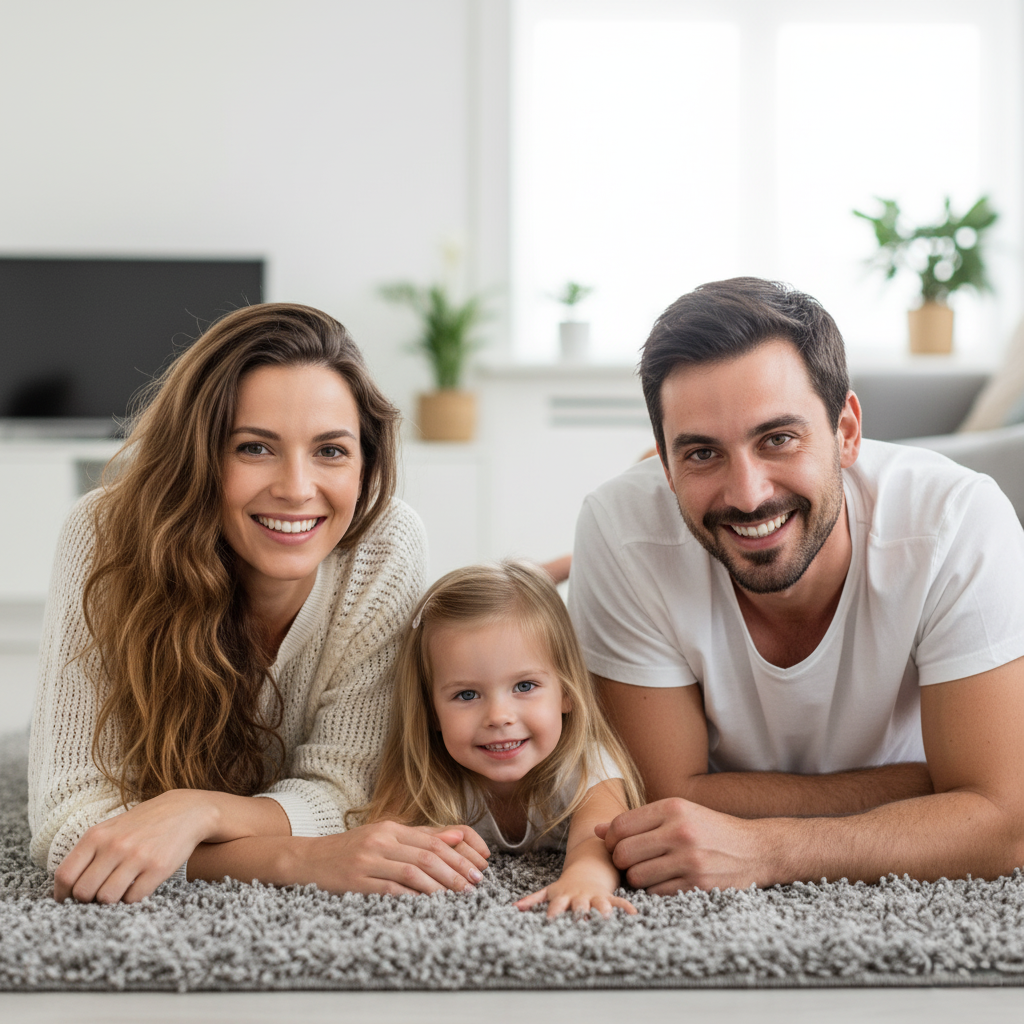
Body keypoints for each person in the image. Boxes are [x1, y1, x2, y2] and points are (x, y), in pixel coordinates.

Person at [567, 277, 1024, 894]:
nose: (748, 494)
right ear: (666, 467)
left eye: (778, 439)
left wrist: (771, 850)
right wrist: (933, 791)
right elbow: (664, 794)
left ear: (847, 432)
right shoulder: (620, 527)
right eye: (702, 454)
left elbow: (1003, 823)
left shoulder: (956, 521)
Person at [28, 302, 489, 903]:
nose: (298, 489)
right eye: (254, 448)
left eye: (331, 451)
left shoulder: (384, 543)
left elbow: (351, 790)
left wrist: (194, 812)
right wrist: (296, 857)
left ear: (366, 463)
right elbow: (70, 825)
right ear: (197, 457)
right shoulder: (104, 533)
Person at [352, 560, 644, 918]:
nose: (498, 717)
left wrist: (584, 879)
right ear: (430, 712)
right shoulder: (426, 772)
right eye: (467, 695)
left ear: (567, 692)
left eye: (524, 686)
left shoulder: (587, 765)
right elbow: (386, 839)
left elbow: (596, 837)